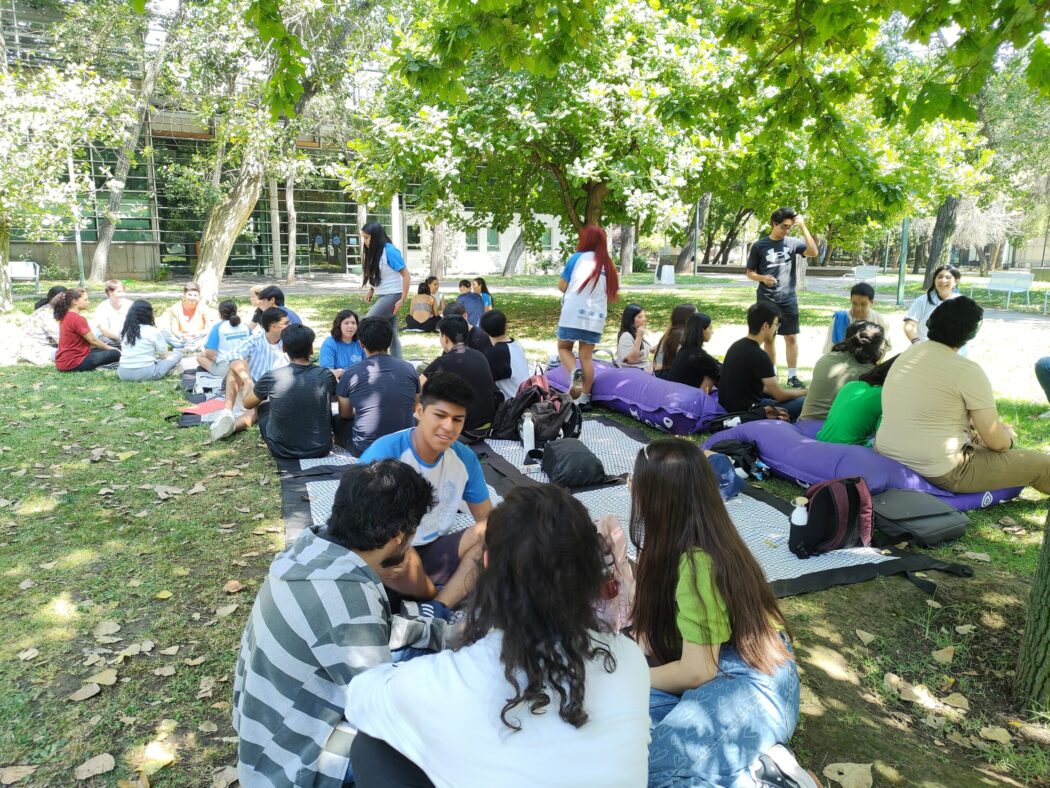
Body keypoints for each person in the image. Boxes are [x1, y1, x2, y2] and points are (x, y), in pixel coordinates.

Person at [347, 485, 650, 788]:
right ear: (588, 570)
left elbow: (359, 699)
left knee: (371, 747)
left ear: (488, 564)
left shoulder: (451, 679)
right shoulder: (628, 657)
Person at [233, 460, 448, 787]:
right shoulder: (346, 594)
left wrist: (445, 635)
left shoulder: (311, 549)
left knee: (430, 648)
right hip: (292, 762)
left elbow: (376, 634)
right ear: (397, 537)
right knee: (433, 742)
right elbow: (381, 708)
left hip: (271, 730)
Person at [630, 438, 807, 788]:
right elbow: (654, 639)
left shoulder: (699, 563)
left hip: (753, 682)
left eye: (637, 481)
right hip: (718, 670)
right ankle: (750, 764)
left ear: (659, 498)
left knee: (648, 774)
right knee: (621, 722)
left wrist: (629, 678)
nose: (629, 487)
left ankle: (765, 779)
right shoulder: (684, 540)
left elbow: (697, 671)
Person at [877, 297, 1050, 494]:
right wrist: (1008, 438)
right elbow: (997, 443)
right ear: (971, 333)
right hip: (940, 469)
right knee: (1041, 464)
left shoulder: (906, 356)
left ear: (931, 323)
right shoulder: (967, 370)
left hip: (887, 453)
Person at [358, 372, 493, 613]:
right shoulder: (384, 455)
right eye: (440, 415)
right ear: (419, 411)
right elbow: (355, 526)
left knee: (490, 534)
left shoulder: (464, 459)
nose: (448, 427)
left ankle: (437, 608)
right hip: (388, 555)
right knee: (404, 560)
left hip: (434, 552)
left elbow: (487, 520)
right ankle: (427, 597)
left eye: (457, 419)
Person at [745, 207, 818, 388]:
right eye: (784, 226)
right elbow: (750, 273)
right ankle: (773, 373)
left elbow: (813, 252)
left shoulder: (792, 243)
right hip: (766, 299)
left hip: (788, 299)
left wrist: (803, 226)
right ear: (774, 224)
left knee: (791, 337)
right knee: (769, 337)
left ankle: (792, 376)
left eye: (789, 227)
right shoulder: (759, 245)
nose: (786, 230)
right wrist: (763, 278)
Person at [246, 325, 337, 459]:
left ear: (284, 349)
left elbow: (247, 403)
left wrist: (248, 385)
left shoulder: (272, 377)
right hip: (321, 448)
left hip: (281, 450)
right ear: (311, 349)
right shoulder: (326, 376)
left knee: (263, 406)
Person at [557, 223, 620, 410]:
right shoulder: (608, 265)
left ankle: (574, 373)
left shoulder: (576, 258)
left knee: (563, 347)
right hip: (596, 316)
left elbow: (562, 285)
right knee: (586, 357)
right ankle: (584, 397)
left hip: (573, 311)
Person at [336, 316, 420, 456]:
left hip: (365, 448)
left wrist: (364, 412)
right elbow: (413, 407)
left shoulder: (351, 373)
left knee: (337, 420)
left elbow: (345, 414)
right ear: (391, 340)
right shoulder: (409, 368)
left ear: (361, 344)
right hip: (404, 445)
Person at [209, 307, 290, 441]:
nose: (289, 326)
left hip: (274, 393)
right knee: (234, 369)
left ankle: (229, 428)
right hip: (251, 388)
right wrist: (247, 381)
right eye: (286, 323)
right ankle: (227, 411)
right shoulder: (255, 340)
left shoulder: (289, 341)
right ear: (274, 326)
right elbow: (234, 356)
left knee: (254, 412)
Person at [718, 302, 807, 420]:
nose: (776, 329)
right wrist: (805, 391)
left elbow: (758, 385)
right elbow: (779, 395)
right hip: (749, 411)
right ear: (765, 326)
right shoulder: (759, 355)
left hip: (729, 406)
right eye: (776, 324)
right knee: (805, 402)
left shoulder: (736, 346)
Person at [422, 317, 497, 436]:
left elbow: (417, 387)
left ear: (445, 338)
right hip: (489, 424)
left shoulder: (444, 362)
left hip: (465, 430)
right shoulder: (480, 356)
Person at [798, 321, 886, 422]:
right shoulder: (871, 374)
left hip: (804, 423)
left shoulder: (825, 358)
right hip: (834, 432)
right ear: (878, 346)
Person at [817, 355, 899, 446]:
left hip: (822, 439)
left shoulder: (851, 385)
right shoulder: (886, 397)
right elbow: (883, 440)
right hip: (852, 448)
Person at [361, 221, 410, 359]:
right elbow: (377, 274)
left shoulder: (390, 251)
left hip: (393, 295)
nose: (364, 241)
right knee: (392, 334)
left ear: (375, 236)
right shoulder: (375, 251)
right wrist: (371, 289)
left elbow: (406, 275)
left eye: (366, 238)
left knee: (366, 323)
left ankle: (367, 360)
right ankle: (396, 363)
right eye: (363, 238)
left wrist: (403, 299)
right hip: (384, 294)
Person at [52, 288, 122, 372]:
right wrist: (111, 349)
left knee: (112, 347)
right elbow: (93, 341)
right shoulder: (77, 319)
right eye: (85, 300)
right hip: (73, 363)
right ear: (75, 301)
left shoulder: (65, 315)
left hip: (63, 362)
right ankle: (108, 365)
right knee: (115, 353)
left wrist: (109, 347)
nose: (88, 302)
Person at [117, 300, 184, 382]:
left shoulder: (124, 330)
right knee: (177, 354)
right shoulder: (153, 331)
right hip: (146, 373)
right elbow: (163, 356)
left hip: (123, 373)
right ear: (149, 314)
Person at [822, 282, 891, 353]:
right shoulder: (839, 319)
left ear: (872, 302)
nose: (858, 309)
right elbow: (828, 348)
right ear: (850, 300)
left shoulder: (880, 321)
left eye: (863, 304)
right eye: (854, 303)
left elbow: (885, 348)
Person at [904, 265, 961, 345]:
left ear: (956, 282)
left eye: (948, 277)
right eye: (940, 277)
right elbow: (909, 325)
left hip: (953, 348)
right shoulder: (922, 301)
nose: (943, 280)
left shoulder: (962, 302)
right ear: (934, 279)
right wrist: (916, 342)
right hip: (925, 346)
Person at [666, 313, 720, 393]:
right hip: (687, 400)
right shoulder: (699, 356)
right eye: (710, 328)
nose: (712, 332)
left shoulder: (684, 350)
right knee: (710, 376)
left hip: (674, 395)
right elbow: (720, 375)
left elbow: (713, 364)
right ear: (701, 331)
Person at [480, 309, 529, 400]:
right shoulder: (516, 344)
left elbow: (483, 381)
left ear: (484, 331)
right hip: (526, 396)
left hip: (513, 404)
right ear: (506, 327)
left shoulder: (495, 353)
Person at [197, 300, 250, 377]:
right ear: (236, 311)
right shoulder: (245, 326)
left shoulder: (217, 328)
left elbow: (210, 354)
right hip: (246, 367)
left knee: (200, 358)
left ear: (220, 313)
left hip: (227, 369)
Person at [18, 285, 66, 366]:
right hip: (37, 350)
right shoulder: (46, 313)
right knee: (71, 354)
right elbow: (59, 338)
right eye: (60, 298)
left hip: (43, 346)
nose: (63, 301)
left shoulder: (49, 310)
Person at [160, 282, 215, 351]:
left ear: (199, 296)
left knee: (213, 332)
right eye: (190, 295)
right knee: (164, 333)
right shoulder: (175, 308)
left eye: (195, 295)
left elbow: (208, 328)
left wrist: (196, 334)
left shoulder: (204, 308)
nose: (192, 298)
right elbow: (174, 330)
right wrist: (181, 336)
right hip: (182, 339)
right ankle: (193, 347)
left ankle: (192, 347)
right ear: (184, 295)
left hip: (199, 337)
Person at [319, 309, 365, 380]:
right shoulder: (329, 344)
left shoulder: (360, 342)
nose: (350, 326)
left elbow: (367, 366)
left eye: (353, 323)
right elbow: (326, 374)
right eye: (346, 323)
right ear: (338, 325)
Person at [653, 303, 697, 377]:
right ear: (687, 319)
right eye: (695, 316)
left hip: (660, 372)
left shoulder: (673, 331)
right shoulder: (681, 334)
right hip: (666, 375)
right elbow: (686, 361)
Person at [616, 303, 653, 371]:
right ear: (630, 320)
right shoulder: (626, 336)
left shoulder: (636, 332)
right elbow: (631, 360)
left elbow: (644, 350)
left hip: (644, 369)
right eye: (640, 317)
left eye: (644, 316)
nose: (644, 319)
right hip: (634, 372)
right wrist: (639, 337)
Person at [92, 279, 129, 347]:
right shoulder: (102, 307)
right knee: (105, 341)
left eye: (123, 292)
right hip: (109, 338)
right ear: (109, 293)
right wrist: (121, 339)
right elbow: (104, 331)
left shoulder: (131, 305)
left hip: (128, 337)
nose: (122, 294)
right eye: (119, 292)